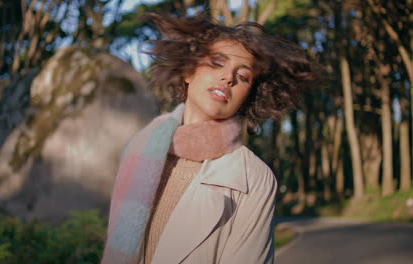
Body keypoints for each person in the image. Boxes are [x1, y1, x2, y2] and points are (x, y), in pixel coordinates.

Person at [101, 13, 319, 264]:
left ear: (248, 95)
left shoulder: (254, 179)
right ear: (188, 72)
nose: (228, 77)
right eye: (217, 63)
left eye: (243, 76)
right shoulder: (139, 149)